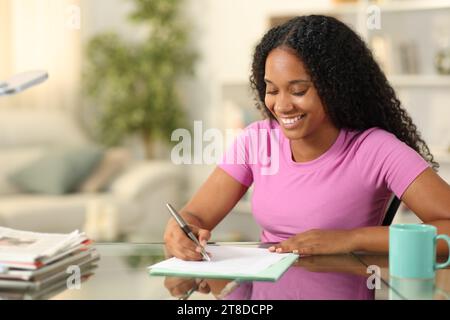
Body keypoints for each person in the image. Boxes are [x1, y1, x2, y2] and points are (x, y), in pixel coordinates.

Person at [164, 15, 450, 261]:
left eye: (298, 91)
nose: (282, 106)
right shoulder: (256, 141)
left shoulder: (376, 149)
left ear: (335, 87)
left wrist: (351, 239)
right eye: (272, 90)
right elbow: (196, 216)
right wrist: (182, 231)